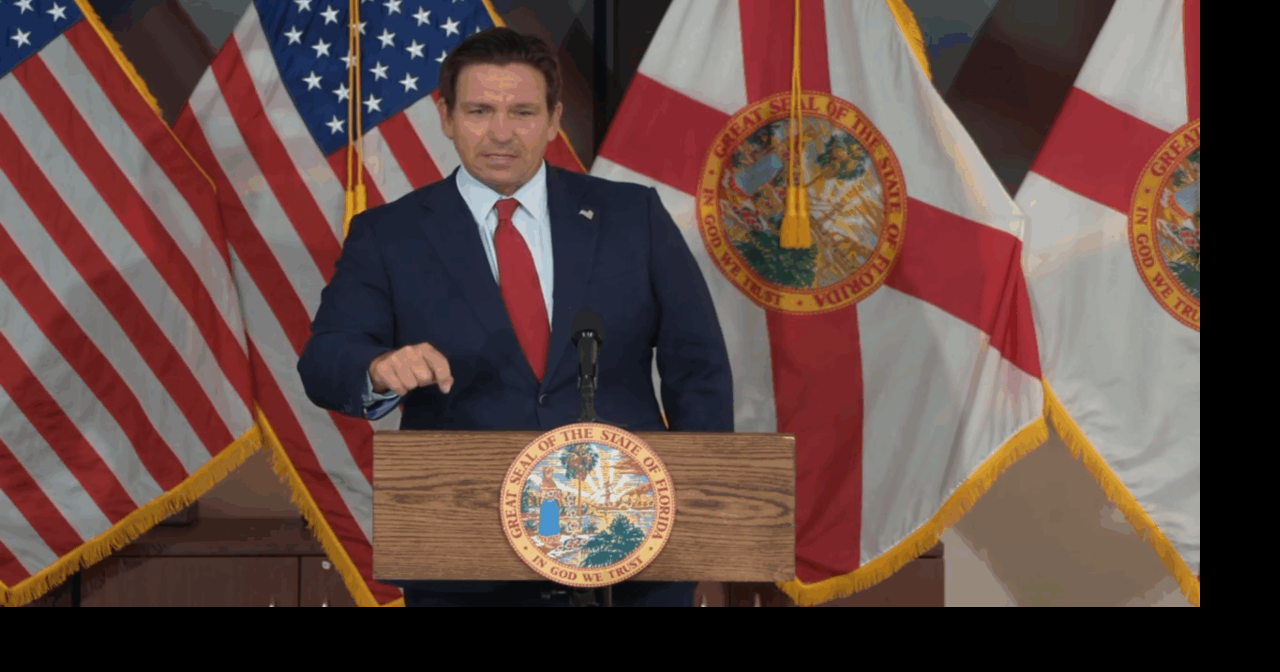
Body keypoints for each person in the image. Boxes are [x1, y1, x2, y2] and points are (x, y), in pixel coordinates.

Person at [296, 27, 732, 607]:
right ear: (446, 116)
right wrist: (377, 367)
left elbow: (698, 372)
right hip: (463, 560)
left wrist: (695, 527)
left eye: (522, 112)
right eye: (479, 111)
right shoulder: (388, 234)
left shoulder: (633, 216)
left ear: (553, 120)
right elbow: (325, 359)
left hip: (632, 554)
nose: (501, 132)